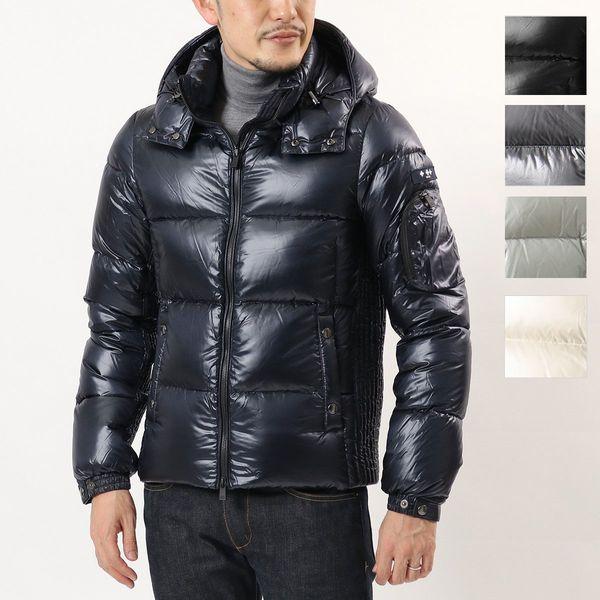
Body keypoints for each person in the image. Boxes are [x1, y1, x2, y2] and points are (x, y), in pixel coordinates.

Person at [71, 1, 471, 598]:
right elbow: (118, 323)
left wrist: (415, 497)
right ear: (208, 5)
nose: (285, 10)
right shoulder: (147, 144)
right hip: (180, 499)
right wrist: (104, 475)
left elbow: (436, 323)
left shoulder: (371, 137)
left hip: (313, 498)